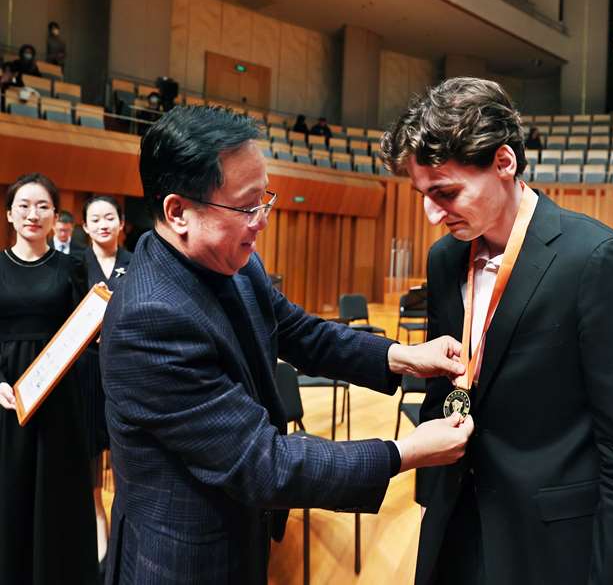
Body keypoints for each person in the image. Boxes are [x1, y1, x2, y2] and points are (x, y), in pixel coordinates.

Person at [99, 105, 474, 585]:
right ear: (178, 212)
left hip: (243, 529)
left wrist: (401, 356)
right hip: (183, 558)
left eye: (264, 199)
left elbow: (300, 333)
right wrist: (407, 451)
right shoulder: (149, 318)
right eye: (246, 205)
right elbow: (264, 462)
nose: (262, 220)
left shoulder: (234, 262)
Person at [380, 77, 613, 585]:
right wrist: (433, 496)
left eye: (445, 193)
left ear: (503, 163)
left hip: (555, 541)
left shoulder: (598, 259)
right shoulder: (445, 256)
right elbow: (445, 388)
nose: (431, 214)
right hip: (456, 524)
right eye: (422, 195)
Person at [0, 173, 97, 585]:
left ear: (56, 216)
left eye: (42, 206)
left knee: (57, 496)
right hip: (7, 398)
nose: (32, 214)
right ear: (9, 214)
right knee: (11, 494)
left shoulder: (72, 267)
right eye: (23, 205)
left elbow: (85, 331)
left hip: (59, 397)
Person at [78, 195, 133, 575]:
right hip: (85, 372)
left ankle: (125, 536)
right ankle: (99, 528)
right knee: (91, 460)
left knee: (126, 453)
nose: (102, 224)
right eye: (95, 218)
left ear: (121, 223)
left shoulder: (136, 263)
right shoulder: (74, 266)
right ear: (85, 226)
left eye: (108, 217)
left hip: (126, 373)